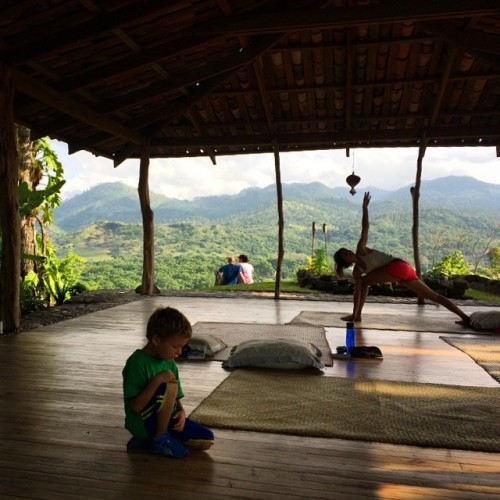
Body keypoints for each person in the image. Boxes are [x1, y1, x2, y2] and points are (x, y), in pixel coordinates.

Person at [333, 192, 470, 325]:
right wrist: (354, 311)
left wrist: (365, 208)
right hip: (404, 273)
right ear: (345, 262)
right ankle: (465, 318)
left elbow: (365, 227)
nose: (349, 252)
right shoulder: (357, 272)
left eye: (346, 250)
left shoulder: (361, 250)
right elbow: (357, 293)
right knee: (434, 296)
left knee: (364, 281)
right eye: (345, 254)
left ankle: (357, 316)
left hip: (398, 266)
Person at [122, 306, 214, 458]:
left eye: (182, 347)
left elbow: (175, 397)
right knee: (169, 386)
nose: (178, 353)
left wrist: (182, 411)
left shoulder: (169, 361)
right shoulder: (136, 363)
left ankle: (147, 441)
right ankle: (160, 438)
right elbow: (136, 407)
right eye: (175, 347)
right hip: (141, 422)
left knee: (206, 439)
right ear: (156, 340)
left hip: (164, 417)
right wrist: (158, 380)